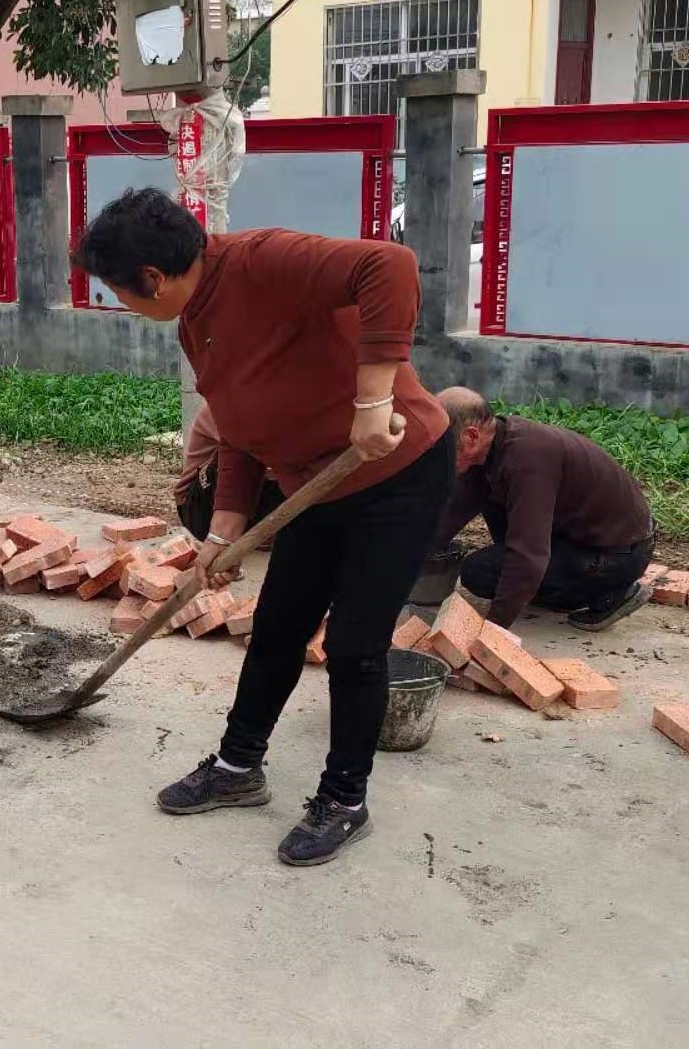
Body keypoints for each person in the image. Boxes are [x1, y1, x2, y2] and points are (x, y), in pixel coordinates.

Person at [76, 188, 455, 867]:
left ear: (152, 278)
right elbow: (240, 429)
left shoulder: (264, 260)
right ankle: (237, 767)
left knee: (354, 645)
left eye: (119, 292)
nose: (123, 305)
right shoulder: (195, 320)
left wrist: (373, 398)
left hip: (398, 471)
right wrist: (222, 534)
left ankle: (345, 799)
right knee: (277, 626)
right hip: (314, 485)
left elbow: (390, 265)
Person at [430, 387, 655, 632]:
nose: (437, 460)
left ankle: (609, 594)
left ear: (471, 437)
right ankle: (545, 586)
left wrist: (491, 632)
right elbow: (452, 512)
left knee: (482, 572)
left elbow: (527, 555)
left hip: (618, 554)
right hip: (578, 538)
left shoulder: (527, 460)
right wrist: (407, 561)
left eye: (442, 450)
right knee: (490, 539)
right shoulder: (492, 448)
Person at [176, 404, 284, 541]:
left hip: (248, 498)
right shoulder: (229, 405)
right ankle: (227, 532)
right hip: (197, 507)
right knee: (242, 459)